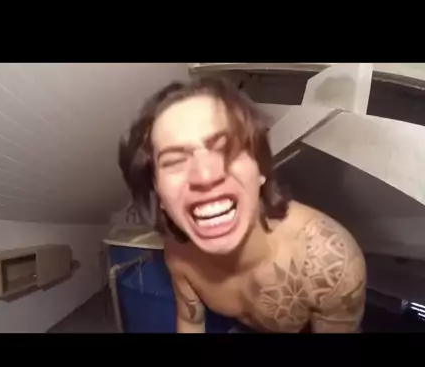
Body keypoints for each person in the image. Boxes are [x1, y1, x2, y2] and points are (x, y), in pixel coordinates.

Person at [118, 76, 366, 333]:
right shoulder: (179, 253)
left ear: (260, 168)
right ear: (159, 193)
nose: (205, 175)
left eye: (227, 149)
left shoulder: (328, 261)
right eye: (174, 161)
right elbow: (191, 321)